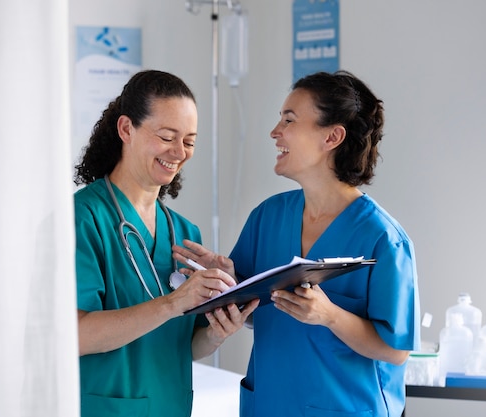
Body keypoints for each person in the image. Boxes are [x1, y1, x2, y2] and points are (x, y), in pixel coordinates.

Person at [173, 70, 420, 417]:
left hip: (345, 408)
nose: (276, 132)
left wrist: (329, 315)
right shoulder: (267, 218)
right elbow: (252, 314)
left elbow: (396, 350)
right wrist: (231, 282)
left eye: (289, 120)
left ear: (332, 136)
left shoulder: (383, 239)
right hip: (271, 404)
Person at [73, 69, 258, 417]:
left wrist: (220, 329)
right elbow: (75, 336)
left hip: (171, 405)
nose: (179, 152)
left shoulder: (184, 235)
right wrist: (173, 303)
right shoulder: (84, 218)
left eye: (189, 141)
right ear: (126, 129)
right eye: (167, 136)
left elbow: (182, 346)